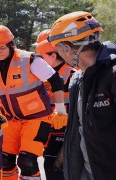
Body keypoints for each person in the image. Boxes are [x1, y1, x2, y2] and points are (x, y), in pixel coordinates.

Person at [0, 25, 67, 179]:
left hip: (37, 118)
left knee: (27, 161)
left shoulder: (30, 60)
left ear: (10, 44)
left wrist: (60, 108)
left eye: (2, 47)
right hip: (11, 120)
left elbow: (56, 81)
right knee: (4, 159)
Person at [48, 11, 116, 180]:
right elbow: (78, 129)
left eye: (58, 48)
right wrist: (60, 161)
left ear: (67, 48)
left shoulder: (113, 74)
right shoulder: (78, 79)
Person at [34, 29, 76, 180]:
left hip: (64, 133)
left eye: (40, 56)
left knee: (54, 168)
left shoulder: (73, 76)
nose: (37, 60)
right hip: (49, 131)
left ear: (53, 54)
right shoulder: (40, 75)